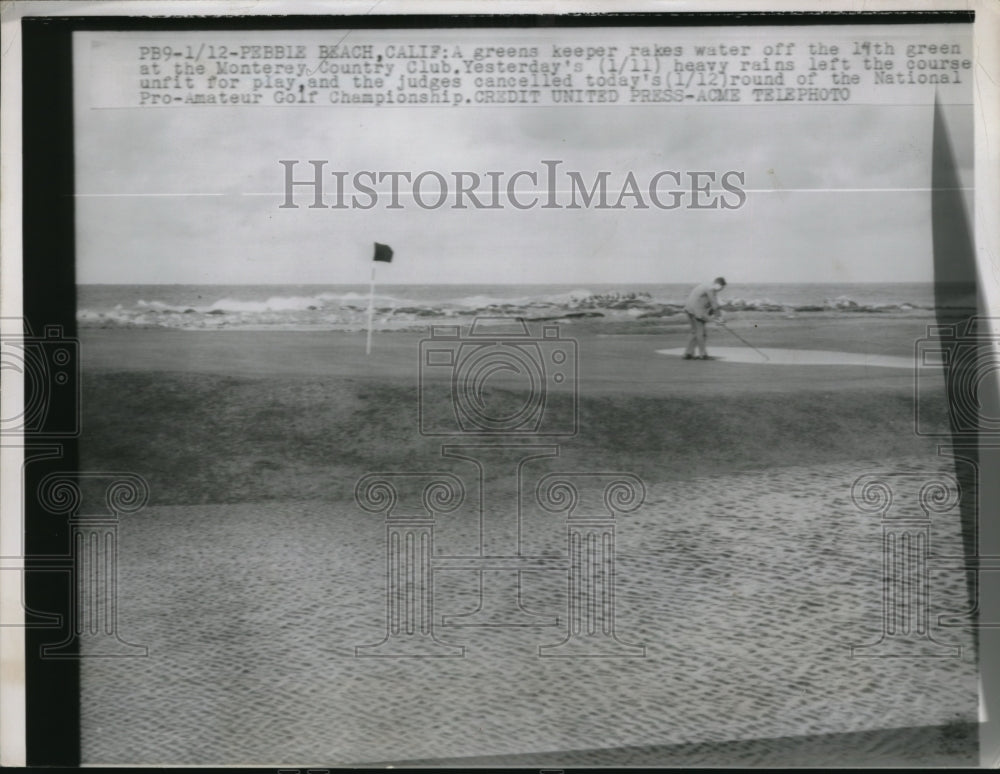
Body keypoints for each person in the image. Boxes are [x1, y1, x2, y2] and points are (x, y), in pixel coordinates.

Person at [682, 277, 727, 360]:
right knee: (701, 333)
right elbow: (714, 305)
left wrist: (717, 318)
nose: (721, 290)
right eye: (722, 288)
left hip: (689, 309)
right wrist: (720, 320)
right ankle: (703, 354)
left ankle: (688, 353)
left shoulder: (706, 285)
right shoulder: (711, 289)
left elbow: (710, 303)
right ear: (718, 285)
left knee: (694, 332)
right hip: (696, 311)